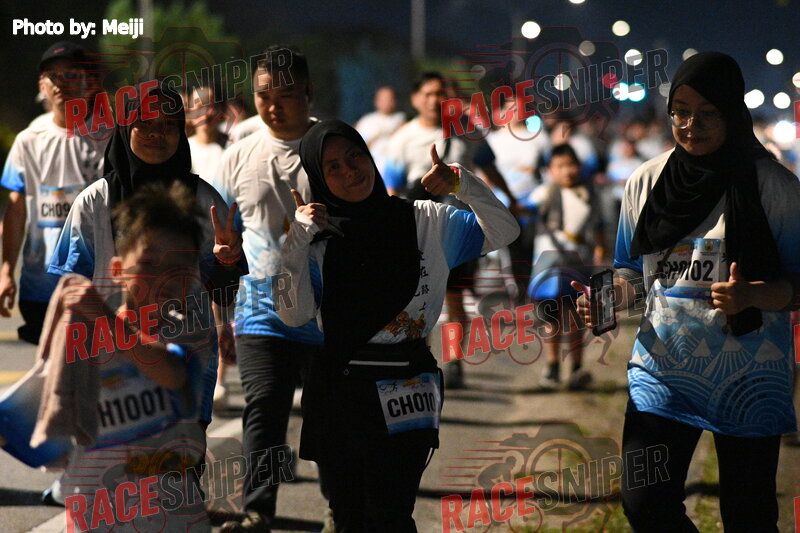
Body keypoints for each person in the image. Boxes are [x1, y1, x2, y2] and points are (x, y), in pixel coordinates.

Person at [573, 51, 800, 532]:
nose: (691, 126)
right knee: (644, 503)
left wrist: (754, 295)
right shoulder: (646, 180)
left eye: (707, 113)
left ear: (732, 112)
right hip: (663, 372)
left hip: (748, 378)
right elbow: (631, 272)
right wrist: (606, 301)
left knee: (748, 517)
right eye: (680, 112)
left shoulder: (774, 186)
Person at [276, 120, 519, 532]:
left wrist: (463, 184)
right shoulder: (316, 240)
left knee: (391, 513)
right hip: (340, 388)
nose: (350, 171)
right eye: (333, 167)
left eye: (355, 156)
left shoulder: (427, 220)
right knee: (349, 517)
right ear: (318, 178)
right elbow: (292, 314)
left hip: (408, 381)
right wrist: (296, 242)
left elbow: (504, 229)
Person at [211, 45, 327, 533]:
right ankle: (258, 511)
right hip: (260, 307)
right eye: (263, 96)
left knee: (329, 415)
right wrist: (221, 261)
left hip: (326, 310)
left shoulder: (333, 147)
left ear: (308, 92)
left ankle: (340, 507)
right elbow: (219, 232)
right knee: (264, 407)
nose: (273, 106)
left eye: (285, 95)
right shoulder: (239, 154)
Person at [57, 182, 213, 532]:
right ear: (117, 270)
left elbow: (172, 372)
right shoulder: (84, 340)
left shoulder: (190, 330)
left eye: (178, 266)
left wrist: (106, 321)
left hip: (171, 517)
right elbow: (44, 420)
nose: (163, 277)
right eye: (148, 264)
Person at [384, 72, 519, 388]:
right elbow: (392, 187)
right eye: (428, 93)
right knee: (418, 296)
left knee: (456, 297)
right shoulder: (403, 137)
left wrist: (510, 199)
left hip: (457, 228)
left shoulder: (468, 130)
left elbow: (490, 169)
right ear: (415, 99)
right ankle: (420, 359)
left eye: (441, 93)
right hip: (417, 229)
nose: (435, 100)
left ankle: (455, 363)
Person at [0, 41, 105, 344]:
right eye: (53, 76)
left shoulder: (110, 139)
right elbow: (16, 210)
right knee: (48, 366)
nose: (61, 83)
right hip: (40, 286)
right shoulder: (28, 141)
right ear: (42, 86)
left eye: (71, 74)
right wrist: (6, 272)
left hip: (96, 286)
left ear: (89, 83)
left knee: (91, 366)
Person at [528, 144, 605, 390]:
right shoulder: (543, 193)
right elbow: (524, 209)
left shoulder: (590, 194)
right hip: (548, 264)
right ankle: (552, 365)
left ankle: (576, 367)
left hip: (578, 262)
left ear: (579, 167)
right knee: (550, 317)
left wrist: (600, 250)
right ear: (550, 170)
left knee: (576, 315)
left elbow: (598, 226)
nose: (567, 171)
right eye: (560, 166)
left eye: (571, 165)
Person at [355, 85, 405, 176]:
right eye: (384, 99)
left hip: (396, 166)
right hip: (373, 166)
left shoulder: (402, 119)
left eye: (390, 99)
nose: (387, 102)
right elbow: (358, 146)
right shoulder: (366, 121)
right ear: (376, 101)